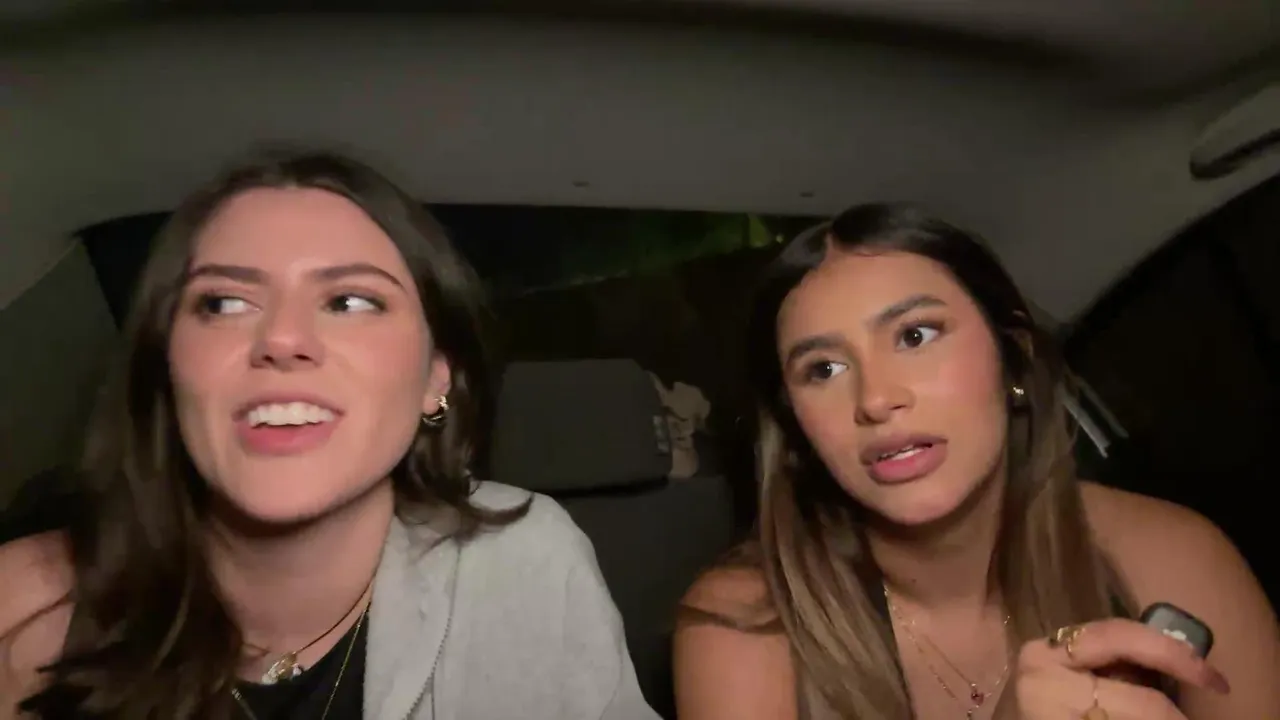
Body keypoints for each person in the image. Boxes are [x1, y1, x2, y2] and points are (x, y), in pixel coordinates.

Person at [0, 149, 659, 720]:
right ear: (168, 370)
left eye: (350, 302)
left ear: (436, 379)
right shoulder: (23, 610)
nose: (283, 339)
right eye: (223, 303)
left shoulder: (525, 566)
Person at [673, 204, 1279, 720]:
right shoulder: (743, 626)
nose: (876, 399)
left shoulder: (1172, 556)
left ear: (1012, 358)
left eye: (915, 336)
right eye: (823, 369)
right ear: (796, 428)